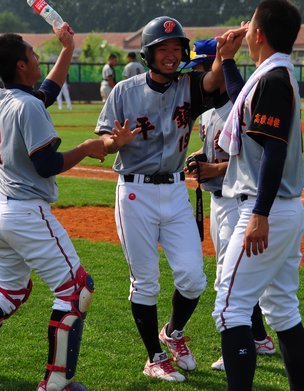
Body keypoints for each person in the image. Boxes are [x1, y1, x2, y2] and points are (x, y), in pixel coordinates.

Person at [0, 23, 107, 391]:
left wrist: (68, 50)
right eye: (30, 52)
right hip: (27, 211)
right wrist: (88, 148)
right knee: (77, 290)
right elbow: (46, 164)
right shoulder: (27, 105)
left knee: (10, 290)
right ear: (22, 65)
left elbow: (46, 91)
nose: (35, 54)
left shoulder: (7, 95)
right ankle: (57, 382)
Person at [95, 16, 229, 382]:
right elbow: (105, 141)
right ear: (149, 54)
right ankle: (154, 357)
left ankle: (171, 333)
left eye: (176, 49)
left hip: (174, 190)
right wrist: (114, 143)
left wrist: (224, 54)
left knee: (193, 278)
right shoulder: (124, 90)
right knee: (146, 281)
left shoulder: (189, 86)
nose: (170, 56)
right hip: (134, 191)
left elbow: (215, 81)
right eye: (162, 50)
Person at [213, 1, 304, 389]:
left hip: (263, 206)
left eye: (248, 25)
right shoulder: (271, 75)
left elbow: (274, 149)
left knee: (229, 309)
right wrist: (229, 61)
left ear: (259, 34)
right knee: (282, 309)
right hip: (281, 207)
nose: (244, 28)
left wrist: (259, 214)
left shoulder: (273, 78)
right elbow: (243, 111)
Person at [182, 38, 276, 374]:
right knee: (231, 273)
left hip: (239, 201)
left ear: (218, 67)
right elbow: (218, 152)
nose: (197, 75)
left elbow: (255, 158)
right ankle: (260, 338)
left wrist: (214, 169)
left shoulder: (240, 105)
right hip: (218, 199)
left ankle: (244, 341)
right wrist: (201, 161)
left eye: (201, 68)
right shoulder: (207, 108)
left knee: (230, 278)